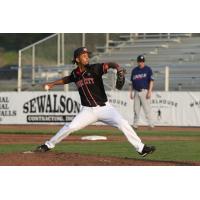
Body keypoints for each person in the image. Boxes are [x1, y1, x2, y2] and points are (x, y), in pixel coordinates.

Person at [35, 47, 155, 157]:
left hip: (105, 109)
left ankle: (141, 148)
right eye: (84, 55)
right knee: (70, 127)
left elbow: (110, 64)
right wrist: (52, 84)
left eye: (87, 55)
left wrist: (117, 68)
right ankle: (48, 145)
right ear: (77, 59)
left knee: (123, 123)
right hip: (88, 111)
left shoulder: (95, 68)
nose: (87, 57)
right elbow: (67, 79)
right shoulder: (75, 74)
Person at [129, 55, 154, 129]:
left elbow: (151, 81)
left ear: (144, 62)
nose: (141, 63)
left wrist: (149, 91)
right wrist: (131, 92)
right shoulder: (134, 70)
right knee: (136, 110)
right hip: (136, 92)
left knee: (147, 109)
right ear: (137, 62)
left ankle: (151, 124)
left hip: (144, 91)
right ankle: (135, 125)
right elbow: (132, 82)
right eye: (139, 61)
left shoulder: (148, 69)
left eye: (142, 61)